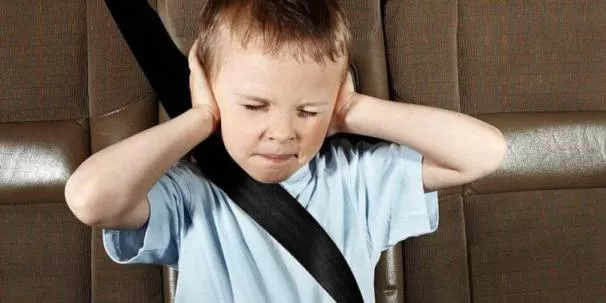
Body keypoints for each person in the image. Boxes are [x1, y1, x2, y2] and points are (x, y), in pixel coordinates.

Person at [65, 0, 507, 302]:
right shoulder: (189, 195)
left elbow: (484, 152)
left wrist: (353, 110)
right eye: (255, 106)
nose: (282, 133)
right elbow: (90, 199)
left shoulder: (356, 181)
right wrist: (199, 118)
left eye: (308, 110)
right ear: (212, 95)